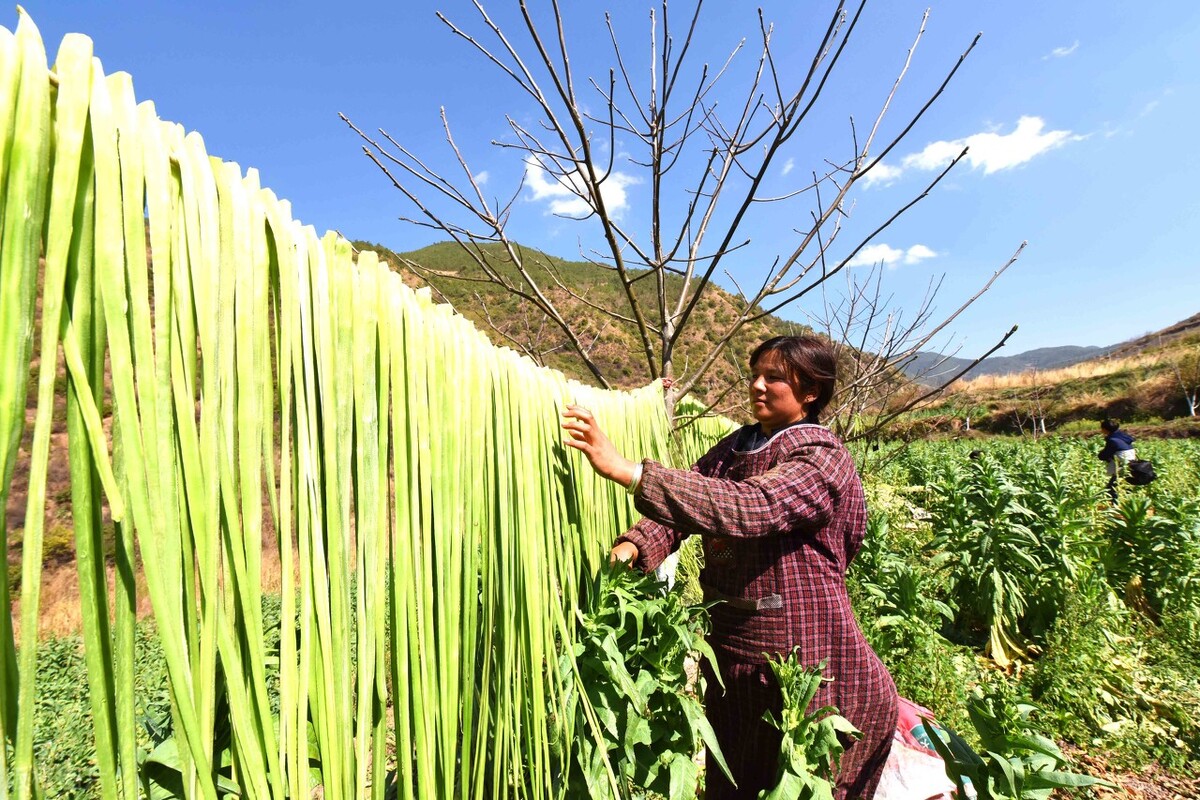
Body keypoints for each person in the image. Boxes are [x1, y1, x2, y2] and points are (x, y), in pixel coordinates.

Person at [562, 335, 898, 800]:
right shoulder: (737, 446)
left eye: (774, 378)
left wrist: (631, 471)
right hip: (734, 657)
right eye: (754, 375)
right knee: (735, 780)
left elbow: (753, 506)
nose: (758, 386)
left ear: (811, 392)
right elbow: (692, 500)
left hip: (811, 662)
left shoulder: (822, 458)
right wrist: (636, 545)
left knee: (802, 778)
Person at [1098, 418, 1136, 503]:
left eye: (1102, 428)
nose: (1101, 430)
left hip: (1122, 464)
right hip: (1130, 462)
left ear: (1105, 429)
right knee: (1125, 484)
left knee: (1112, 488)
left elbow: (1104, 454)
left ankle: (1117, 507)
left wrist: (1101, 455)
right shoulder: (1122, 436)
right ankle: (1126, 504)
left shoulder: (1112, 440)